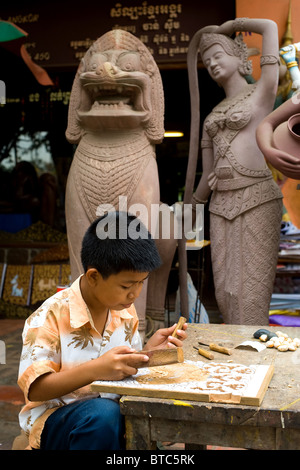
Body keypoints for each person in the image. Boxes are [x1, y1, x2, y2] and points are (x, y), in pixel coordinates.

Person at [18, 212, 187, 450]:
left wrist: (148, 355)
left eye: (142, 282)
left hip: (108, 419)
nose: (135, 294)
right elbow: (35, 389)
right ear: (94, 276)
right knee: (104, 414)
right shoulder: (50, 316)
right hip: (58, 422)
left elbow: (126, 372)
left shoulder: (125, 312)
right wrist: (96, 370)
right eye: (127, 285)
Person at [188, 19, 283, 324]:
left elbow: (269, 27)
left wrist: (234, 25)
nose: (212, 63)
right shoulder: (211, 117)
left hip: (257, 197)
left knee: (251, 291)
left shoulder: (261, 94)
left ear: (240, 58)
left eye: (218, 55)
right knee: (226, 291)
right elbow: (207, 176)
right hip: (220, 205)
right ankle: (236, 362)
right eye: (206, 61)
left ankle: (253, 356)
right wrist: (191, 208)